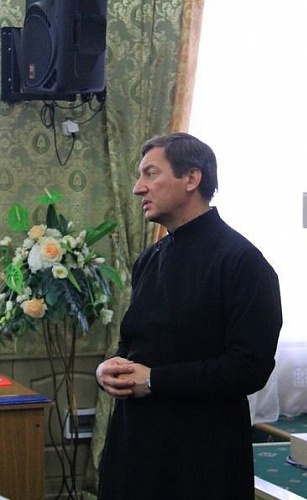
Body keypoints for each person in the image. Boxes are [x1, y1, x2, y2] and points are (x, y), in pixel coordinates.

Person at [96, 133, 283, 499]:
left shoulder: (243, 263)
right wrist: (110, 369)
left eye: (151, 174)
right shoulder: (149, 258)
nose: (138, 188)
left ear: (192, 178)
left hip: (201, 454)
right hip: (135, 445)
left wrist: (156, 380)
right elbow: (133, 344)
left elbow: (250, 368)